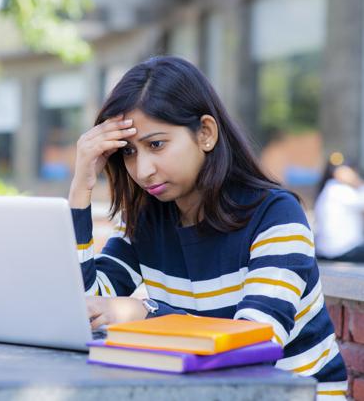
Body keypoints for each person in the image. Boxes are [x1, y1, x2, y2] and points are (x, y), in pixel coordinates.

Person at [69, 56, 347, 398]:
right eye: (128, 152)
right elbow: (86, 305)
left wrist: (147, 312)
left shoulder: (276, 215)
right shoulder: (147, 218)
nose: (142, 171)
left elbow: (253, 345)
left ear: (206, 133)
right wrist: (81, 186)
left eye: (156, 145)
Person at [314, 152, 364, 262]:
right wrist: (357, 182)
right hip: (342, 251)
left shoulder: (328, 189)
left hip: (329, 251)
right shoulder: (338, 189)